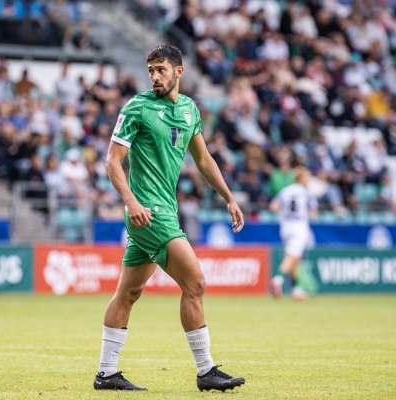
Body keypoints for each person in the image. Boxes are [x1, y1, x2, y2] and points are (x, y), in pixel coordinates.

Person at [94, 44, 245, 393]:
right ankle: (206, 370)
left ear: (179, 71)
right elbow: (112, 161)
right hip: (149, 214)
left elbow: (204, 160)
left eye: (161, 69)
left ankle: (106, 373)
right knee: (196, 284)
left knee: (128, 293)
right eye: (151, 70)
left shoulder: (190, 109)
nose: (154, 77)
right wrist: (130, 201)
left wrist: (229, 197)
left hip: (163, 212)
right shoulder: (137, 108)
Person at [268, 167, 318, 301]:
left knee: (296, 257)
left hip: (285, 226)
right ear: (301, 178)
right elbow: (314, 214)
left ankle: (296, 290)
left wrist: (284, 210)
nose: (308, 181)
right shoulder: (306, 193)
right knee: (292, 256)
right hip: (299, 226)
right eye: (307, 178)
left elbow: (273, 207)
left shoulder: (286, 190)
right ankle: (278, 279)